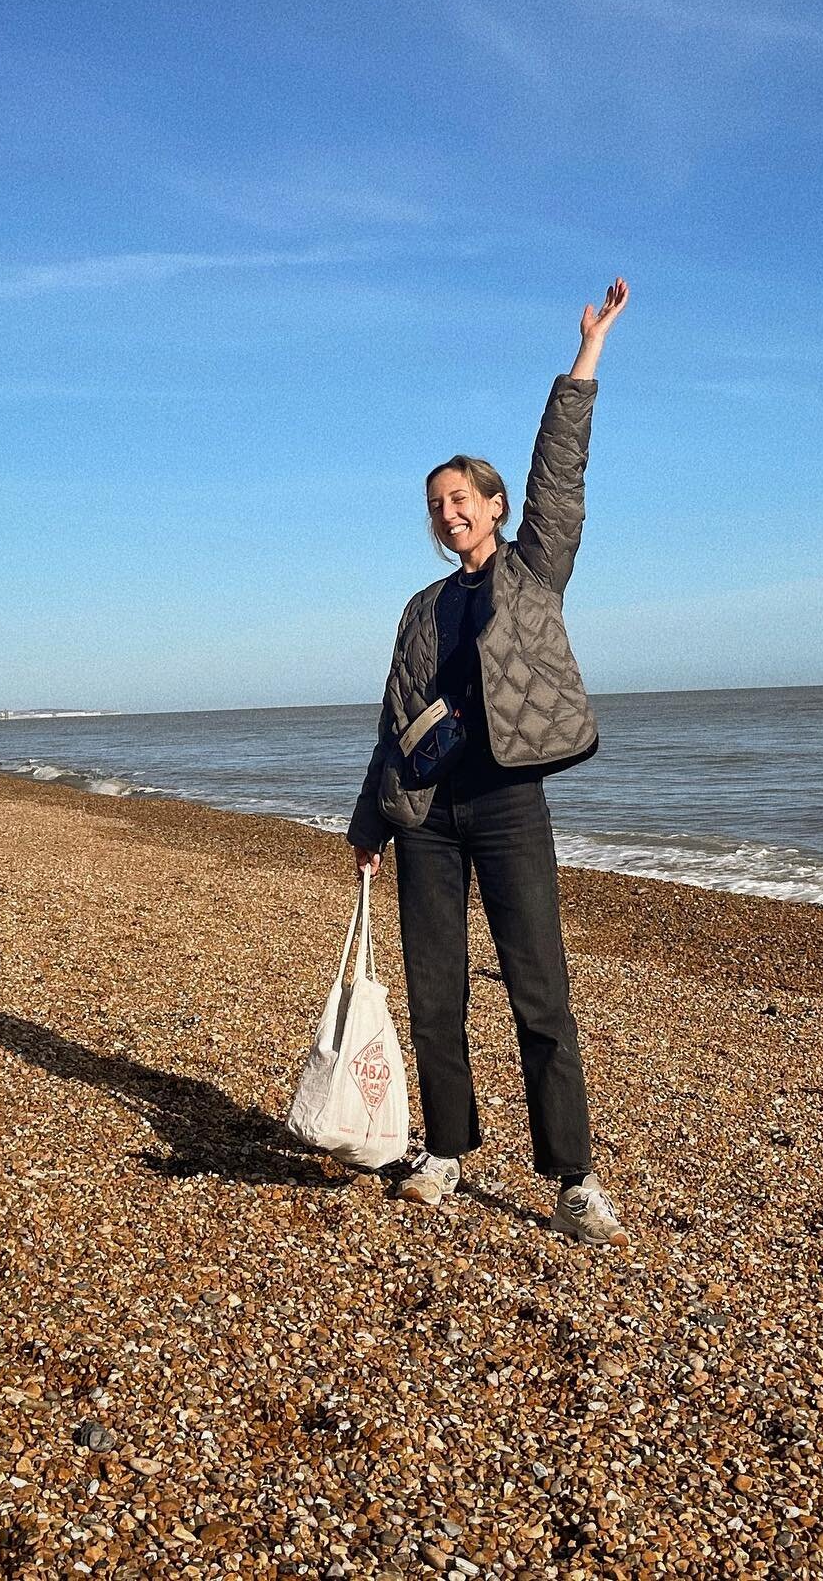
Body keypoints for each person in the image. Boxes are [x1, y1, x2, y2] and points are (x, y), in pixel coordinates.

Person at [347, 277, 630, 1248]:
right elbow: (395, 722)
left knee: (539, 993)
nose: (447, 513)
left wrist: (584, 356)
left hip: (509, 809)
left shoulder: (533, 572)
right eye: (436, 506)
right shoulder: (421, 610)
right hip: (428, 819)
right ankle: (446, 1150)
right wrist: (369, 821)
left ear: (495, 506)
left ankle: (574, 1179)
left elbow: (564, 474)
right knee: (436, 995)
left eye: (460, 498)